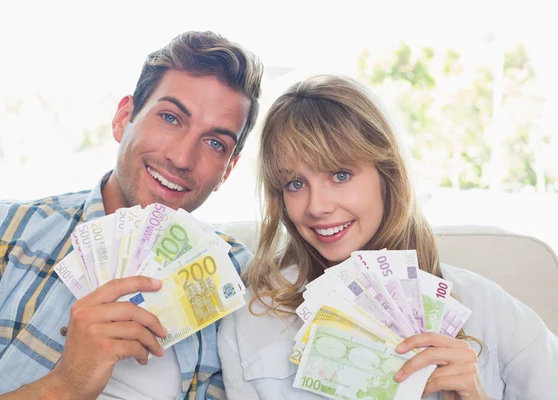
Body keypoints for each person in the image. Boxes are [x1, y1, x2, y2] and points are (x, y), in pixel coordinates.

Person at [0, 31, 263, 400]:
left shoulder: (243, 277)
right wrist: (65, 385)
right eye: (170, 117)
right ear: (122, 119)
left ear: (227, 171)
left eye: (215, 143)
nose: (182, 158)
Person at [218, 75, 558, 400]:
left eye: (340, 174)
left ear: (387, 174)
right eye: (295, 183)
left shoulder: (488, 308)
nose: (317, 206)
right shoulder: (251, 317)